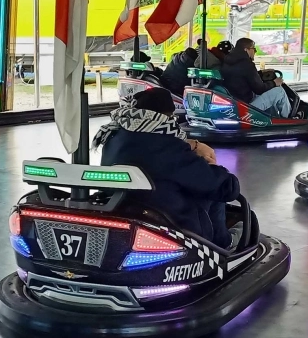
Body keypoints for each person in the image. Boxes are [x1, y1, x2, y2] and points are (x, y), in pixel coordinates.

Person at [94, 88, 243, 251]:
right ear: (169, 116)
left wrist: (192, 145)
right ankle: (222, 244)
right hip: (168, 225)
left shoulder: (113, 138)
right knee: (215, 188)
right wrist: (215, 170)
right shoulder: (169, 146)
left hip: (123, 212)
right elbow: (225, 188)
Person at [221, 38, 292, 118]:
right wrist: (274, 82)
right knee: (279, 92)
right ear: (246, 49)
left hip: (237, 101)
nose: (255, 51)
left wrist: (261, 72)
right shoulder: (247, 64)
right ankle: (289, 119)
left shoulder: (228, 62)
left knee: (270, 92)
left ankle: (274, 119)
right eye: (253, 49)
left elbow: (241, 75)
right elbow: (259, 89)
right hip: (246, 106)